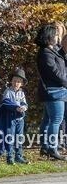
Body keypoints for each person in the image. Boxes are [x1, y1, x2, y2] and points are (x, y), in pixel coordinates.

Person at [36, 23, 67, 160]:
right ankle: (53, 148)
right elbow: (55, 73)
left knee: (48, 120)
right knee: (56, 120)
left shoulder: (52, 50)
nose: (57, 37)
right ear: (48, 37)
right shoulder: (45, 53)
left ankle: (46, 147)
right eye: (54, 34)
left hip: (55, 91)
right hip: (54, 92)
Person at [0, 68, 28, 165]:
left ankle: (19, 156)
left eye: (18, 82)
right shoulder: (8, 91)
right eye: (14, 81)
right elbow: (6, 102)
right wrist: (16, 107)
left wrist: (23, 108)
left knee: (19, 137)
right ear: (11, 81)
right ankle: (10, 157)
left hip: (20, 119)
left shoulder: (22, 93)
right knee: (10, 137)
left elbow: (24, 103)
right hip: (10, 118)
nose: (16, 83)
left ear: (21, 83)